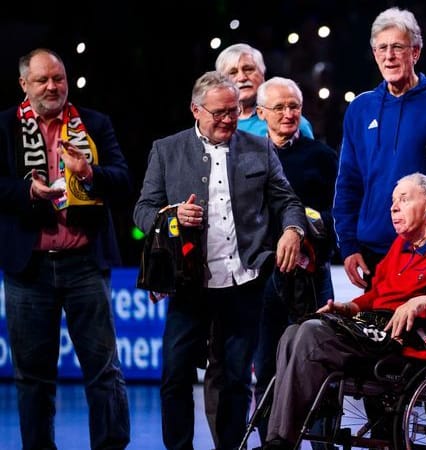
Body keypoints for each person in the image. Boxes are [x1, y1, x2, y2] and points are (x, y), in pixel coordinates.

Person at [133, 70, 306, 450]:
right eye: (219, 113)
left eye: (234, 110)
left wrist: (293, 230)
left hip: (244, 282)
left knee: (235, 378)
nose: (229, 119)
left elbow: (287, 202)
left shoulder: (258, 148)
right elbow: (142, 212)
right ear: (196, 110)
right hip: (189, 284)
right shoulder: (167, 150)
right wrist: (172, 217)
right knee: (175, 375)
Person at [263, 172, 426, 450]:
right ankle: (277, 440)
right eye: (392, 201)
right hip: (375, 332)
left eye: (404, 199)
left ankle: (282, 443)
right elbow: (379, 294)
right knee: (293, 331)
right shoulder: (402, 245)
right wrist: (350, 307)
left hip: (407, 344)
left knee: (311, 334)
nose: (393, 207)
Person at [0, 47, 131, 449]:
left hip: (85, 264)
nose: (52, 86)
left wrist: (89, 173)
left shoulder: (93, 123)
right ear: (24, 84)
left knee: (104, 370)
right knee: (33, 378)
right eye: (42, 80)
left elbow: (123, 180)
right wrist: (27, 191)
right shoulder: (4, 126)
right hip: (29, 269)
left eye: (58, 78)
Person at [333, 6, 426, 291]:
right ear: (374, 54)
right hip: (373, 249)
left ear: (416, 52)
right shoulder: (361, 109)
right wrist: (348, 245)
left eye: (398, 47)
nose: (389, 56)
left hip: (424, 248)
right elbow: (349, 181)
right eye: (382, 48)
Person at [251, 76, 339, 444]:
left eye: (294, 107)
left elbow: (340, 213)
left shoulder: (322, 156)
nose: (288, 114)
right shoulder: (249, 155)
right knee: (267, 364)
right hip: (264, 278)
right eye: (279, 108)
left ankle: (323, 442)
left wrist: (316, 246)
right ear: (260, 113)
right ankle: (272, 438)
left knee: (324, 361)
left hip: (313, 274)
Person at [215, 43, 314, 139]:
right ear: (222, 83)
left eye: (248, 69)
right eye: (233, 73)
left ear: (262, 73)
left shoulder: (290, 122)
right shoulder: (214, 125)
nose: (242, 78)